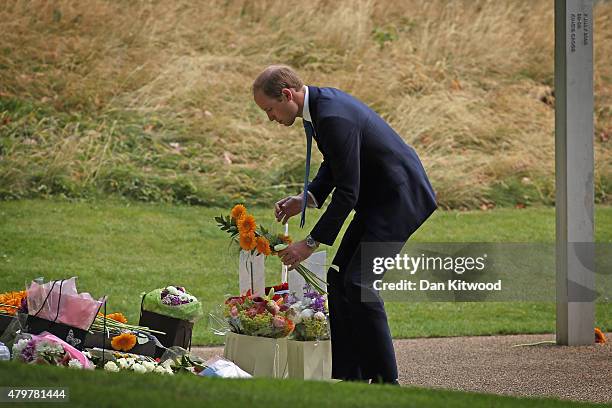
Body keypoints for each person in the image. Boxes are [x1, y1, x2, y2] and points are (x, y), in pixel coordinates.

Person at [252, 65, 437, 384]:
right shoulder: (319, 108)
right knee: (339, 280)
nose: (270, 117)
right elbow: (336, 162)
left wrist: (309, 243)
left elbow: (348, 191)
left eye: (269, 109)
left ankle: (385, 381)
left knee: (359, 283)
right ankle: (351, 377)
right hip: (379, 199)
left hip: (400, 199)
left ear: (286, 95)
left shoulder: (332, 116)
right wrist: (306, 197)